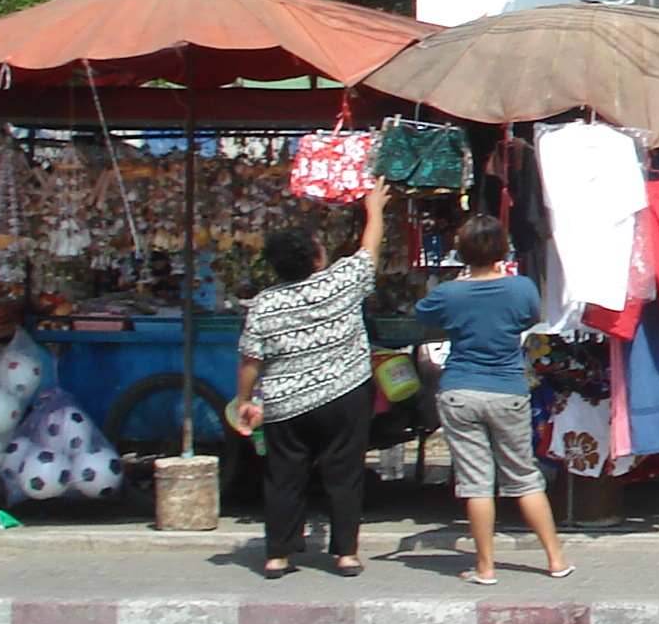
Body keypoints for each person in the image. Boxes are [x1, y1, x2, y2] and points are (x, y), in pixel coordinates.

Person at [228, 181, 388, 579]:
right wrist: (375, 209)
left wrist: (245, 400)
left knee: (284, 477)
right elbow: (370, 250)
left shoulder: (264, 303)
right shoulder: (340, 281)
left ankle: (278, 555)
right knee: (344, 473)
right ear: (316, 258)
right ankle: (346, 554)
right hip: (344, 395)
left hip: (286, 403)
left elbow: (250, 359)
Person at [415, 212, 570, 586]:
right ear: (502, 248)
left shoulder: (450, 292)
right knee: (524, 477)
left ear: (462, 252)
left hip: (460, 390)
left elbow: (423, 315)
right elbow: (528, 318)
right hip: (507, 390)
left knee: (476, 483)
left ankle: (485, 568)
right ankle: (555, 559)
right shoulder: (522, 288)